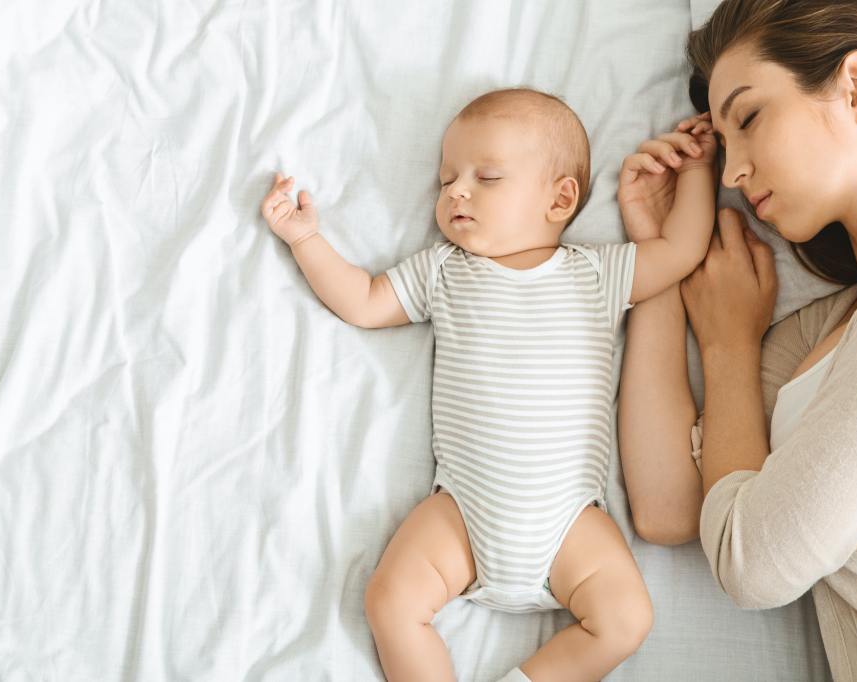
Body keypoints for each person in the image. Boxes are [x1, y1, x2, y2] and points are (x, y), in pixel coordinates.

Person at [260, 87, 718, 681]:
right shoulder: (445, 271)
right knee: (390, 602)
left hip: (568, 523)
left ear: (560, 199)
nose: (456, 191)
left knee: (626, 619)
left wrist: (701, 171)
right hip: (462, 514)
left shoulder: (597, 272)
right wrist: (305, 239)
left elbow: (680, 250)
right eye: (446, 179)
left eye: (487, 177)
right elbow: (365, 302)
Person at [619, 1, 857, 679]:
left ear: (856, 87)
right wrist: (656, 257)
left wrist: (731, 354)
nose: (732, 171)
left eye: (749, 117)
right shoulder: (824, 334)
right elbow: (670, 504)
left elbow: (753, 565)